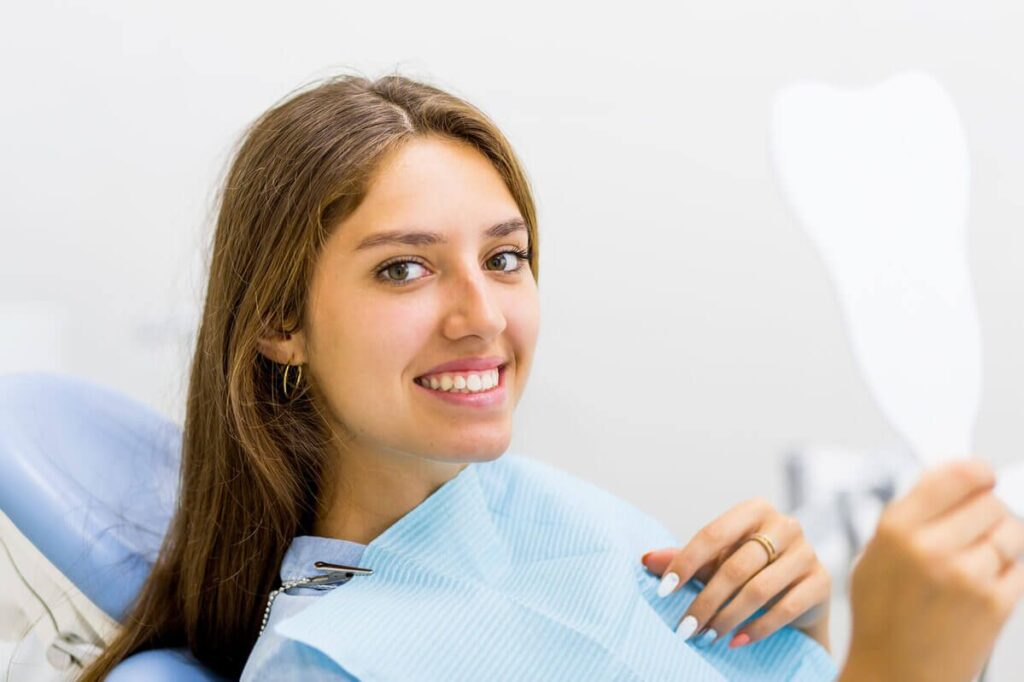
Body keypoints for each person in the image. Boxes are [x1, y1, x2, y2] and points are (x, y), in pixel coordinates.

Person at [79, 75, 1024, 681]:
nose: (482, 316)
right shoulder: (326, 663)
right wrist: (898, 667)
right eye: (404, 268)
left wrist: (800, 634)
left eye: (505, 258)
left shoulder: (548, 513)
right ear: (280, 324)